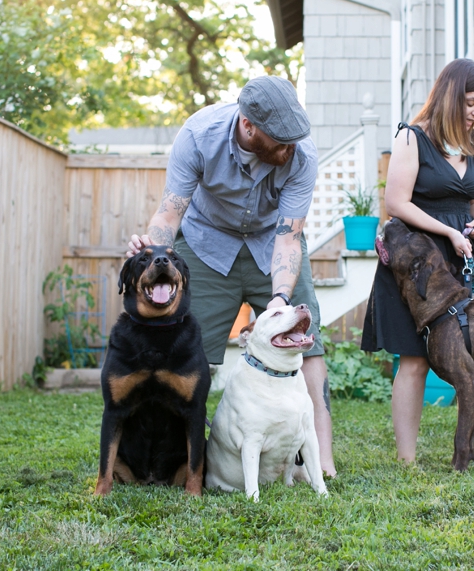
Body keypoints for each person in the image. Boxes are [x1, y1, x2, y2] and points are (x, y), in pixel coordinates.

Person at [127, 75, 336, 477]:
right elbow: (170, 213)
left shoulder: (301, 153)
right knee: (187, 351)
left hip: (271, 244)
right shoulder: (198, 135)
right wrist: (153, 253)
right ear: (248, 126)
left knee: (308, 347)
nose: (289, 148)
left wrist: (279, 298)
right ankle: (185, 462)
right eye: (281, 141)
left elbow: (289, 237)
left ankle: (321, 461)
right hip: (207, 244)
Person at [361, 58, 474, 464]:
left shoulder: (471, 143)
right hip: (420, 261)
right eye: (471, 102)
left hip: (466, 257)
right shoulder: (413, 137)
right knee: (415, 357)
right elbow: (396, 202)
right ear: (449, 93)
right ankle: (407, 458)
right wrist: (446, 232)